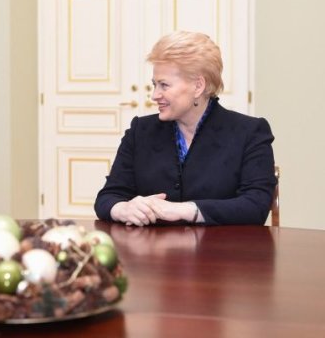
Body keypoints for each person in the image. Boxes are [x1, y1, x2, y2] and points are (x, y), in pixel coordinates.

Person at [94, 31, 276, 226]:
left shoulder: (249, 132)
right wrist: (123, 209)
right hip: (152, 254)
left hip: (221, 253)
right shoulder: (141, 131)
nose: (154, 95)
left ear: (198, 86)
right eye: (154, 85)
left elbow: (255, 206)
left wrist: (186, 210)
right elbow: (108, 197)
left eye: (164, 85)